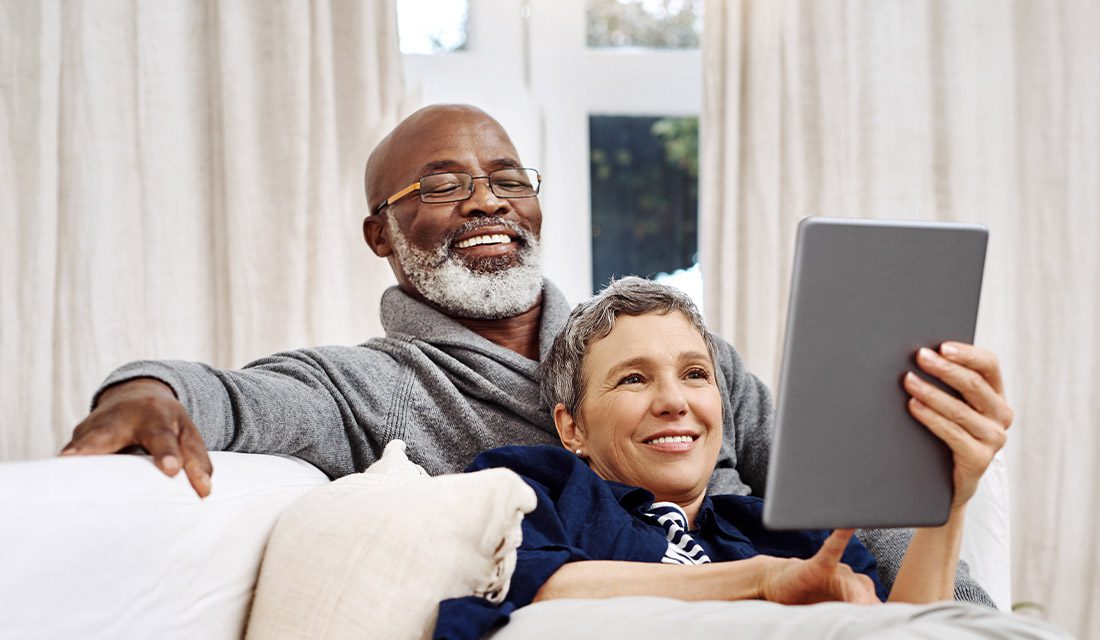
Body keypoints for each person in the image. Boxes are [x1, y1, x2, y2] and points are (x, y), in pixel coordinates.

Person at [60, 102, 993, 604]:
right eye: (442, 184)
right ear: (381, 235)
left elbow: (854, 516)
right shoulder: (368, 386)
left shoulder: (677, 353)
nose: (487, 202)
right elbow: (234, 397)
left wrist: (964, 626)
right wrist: (144, 391)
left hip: (822, 628)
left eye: (509, 179)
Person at [403, 278, 1086, 640]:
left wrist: (949, 495)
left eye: (695, 375)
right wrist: (757, 582)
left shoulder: (782, 529)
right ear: (573, 427)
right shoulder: (535, 479)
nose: (674, 400)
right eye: (634, 378)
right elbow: (543, 588)